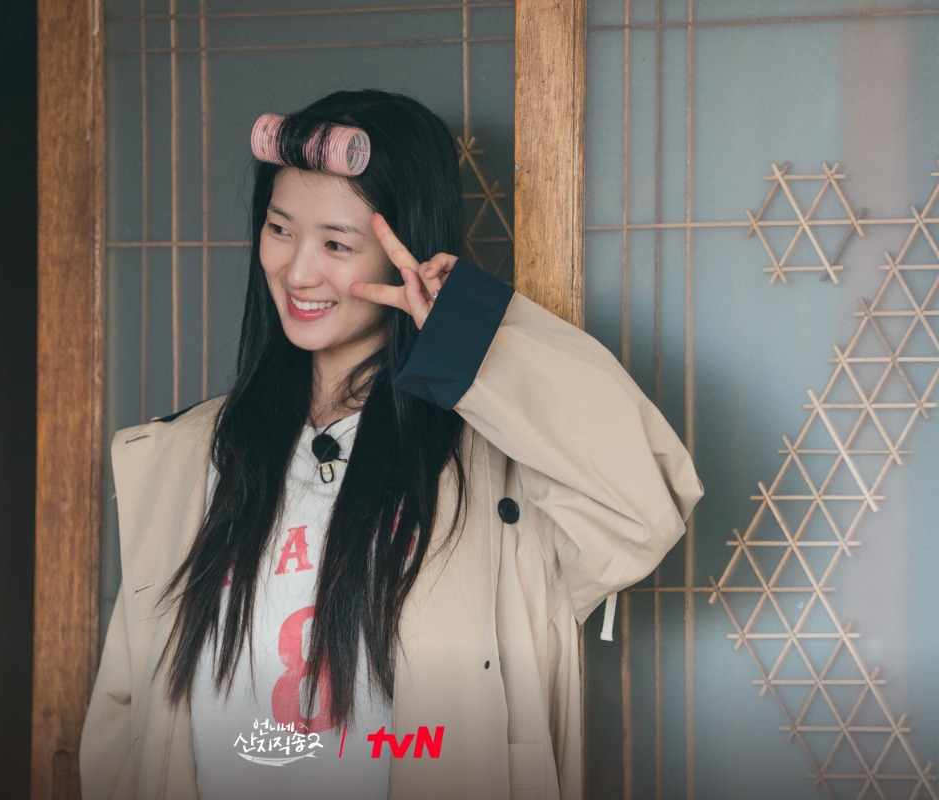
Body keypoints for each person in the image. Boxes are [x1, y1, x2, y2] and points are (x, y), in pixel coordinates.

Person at [80, 89, 702, 800]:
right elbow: (125, 720)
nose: (299, 270)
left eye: (337, 244)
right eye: (280, 229)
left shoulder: (496, 470)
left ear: (405, 252)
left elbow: (642, 507)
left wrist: (462, 330)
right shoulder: (188, 456)